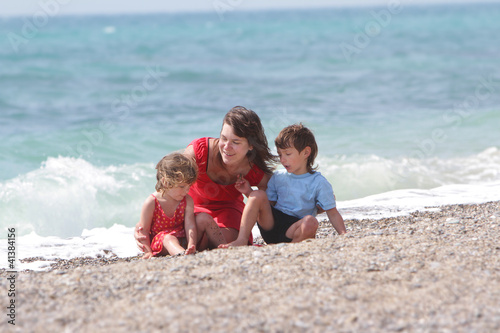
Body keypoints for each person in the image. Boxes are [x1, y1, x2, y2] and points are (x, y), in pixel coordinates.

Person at [136, 106, 276, 251]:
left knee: (227, 242)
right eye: (224, 138)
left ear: (251, 145)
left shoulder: (251, 167)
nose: (227, 147)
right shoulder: (200, 151)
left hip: (229, 213)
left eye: (236, 142)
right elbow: (170, 176)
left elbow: (269, 197)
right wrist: (145, 222)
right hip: (192, 212)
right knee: (180, 238)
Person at [220, 123, 346, 248]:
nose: (282, 159)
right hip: (272, 224)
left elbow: (332, 212)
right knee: (258, 194)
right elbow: (266, 205)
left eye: (288, 154)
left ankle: (288, 249)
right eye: (280, 154)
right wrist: (248, 191)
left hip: (295, 227)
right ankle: (241, 240)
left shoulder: (319, 182)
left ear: (306, 152)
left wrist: (344, 234)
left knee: (310, 222)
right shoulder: (278, 177)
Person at [138, 153, 226, 259]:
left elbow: (190, 225)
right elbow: (144, 230)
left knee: (204, 217)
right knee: (168, 238)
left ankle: (224, 247)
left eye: (189, 186)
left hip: (183, 237)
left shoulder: (187, 199)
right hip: (163, 243)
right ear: (165, 182)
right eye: (182, 186)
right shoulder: (152, 202)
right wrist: (147, 251)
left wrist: (191, 244)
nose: (187, 190)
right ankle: (183, 256)